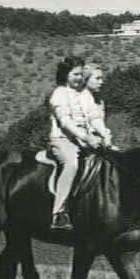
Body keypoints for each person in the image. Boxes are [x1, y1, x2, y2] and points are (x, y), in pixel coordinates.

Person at [44, 54, 104, 231]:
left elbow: (94, 116)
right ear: (65, 75)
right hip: (63, 140)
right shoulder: (59, 94)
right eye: (74, 74)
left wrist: (105, 135)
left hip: (84, 140)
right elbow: (66, 122)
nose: (79, 78)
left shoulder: (85, 94)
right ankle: (59, 213)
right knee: (71, 164)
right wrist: (86, 137)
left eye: (80, 74)